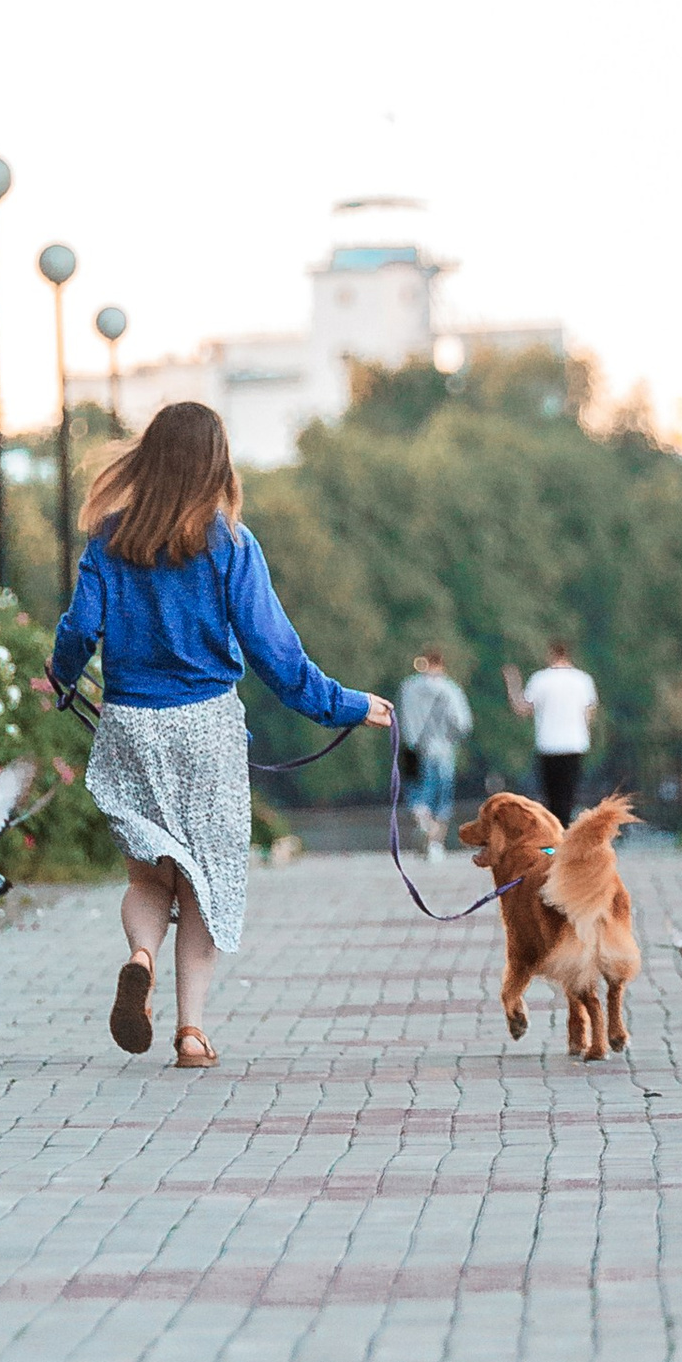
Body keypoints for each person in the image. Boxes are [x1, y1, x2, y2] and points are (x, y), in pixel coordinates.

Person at [51, 399, 391, 1070]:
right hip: (206, 727)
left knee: (150, 879)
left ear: (149, 458)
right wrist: (345, 705)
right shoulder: (231, 541)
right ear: (217, 462)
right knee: (203, 886)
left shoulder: (109, 539)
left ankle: (140, 956)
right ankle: (191, 1031)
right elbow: (278, 656)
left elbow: (77, 628)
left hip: (130, 723)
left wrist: (63, 676)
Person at [506, 640, 599, 822]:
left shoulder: (540, 679)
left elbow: (522, 709)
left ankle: (555, 837)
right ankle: (564, 834)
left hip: (548, 744)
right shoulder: (583, 680)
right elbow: (589, 712)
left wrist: (513, 683)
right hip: (575, 743)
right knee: (569, 794)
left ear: (550, 654)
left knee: (552, 796)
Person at [395, 647, 473, 857]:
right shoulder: (450, 689)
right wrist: (449, 737)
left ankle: (423, 825)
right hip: (442, 750)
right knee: (441, 802)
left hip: (411, 749)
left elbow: (401, 717)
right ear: (442, 664)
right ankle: (435, 844)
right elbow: (462, 723)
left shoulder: (408, 687)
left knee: (416, 797)